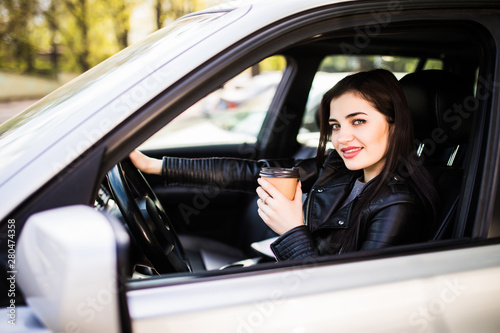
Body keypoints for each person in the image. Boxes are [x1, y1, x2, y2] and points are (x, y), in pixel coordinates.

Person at [129, 69, 439, 261]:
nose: (342, 137)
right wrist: (156, 167)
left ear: (396, 124)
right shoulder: (339, 168)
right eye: (335, 125)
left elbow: (343, 301)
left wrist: (292, 230)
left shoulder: (399, 205)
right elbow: (253, 172)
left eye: (358, 121)